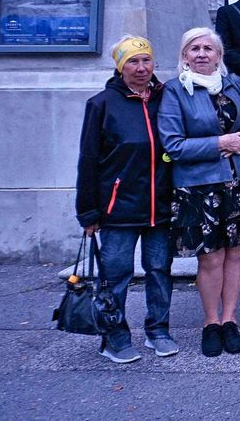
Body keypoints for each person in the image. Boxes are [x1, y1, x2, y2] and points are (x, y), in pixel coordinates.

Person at [159, 28, 240, 356]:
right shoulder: (175, 90)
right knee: (210, 258)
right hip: (199, 186)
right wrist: (219, 143)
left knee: (235, 254)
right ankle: (211, 322)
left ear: (219, 55)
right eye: (195, 48)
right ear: (184, 55)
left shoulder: (234, 83)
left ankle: (230, 319)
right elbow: (173, 144)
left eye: (209, 48)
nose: (203, 53)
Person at [75, 36, 175, 363]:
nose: (141, 68)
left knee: (159, 270)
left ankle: (158, 330)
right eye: (133, 61)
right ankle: (114, 336)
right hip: (119, 209)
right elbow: (88, 159)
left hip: (160, 207)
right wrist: (87, 212)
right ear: (120, 66)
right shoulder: (102, 104)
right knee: (116, 275)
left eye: (146, 60)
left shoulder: (166, 98)